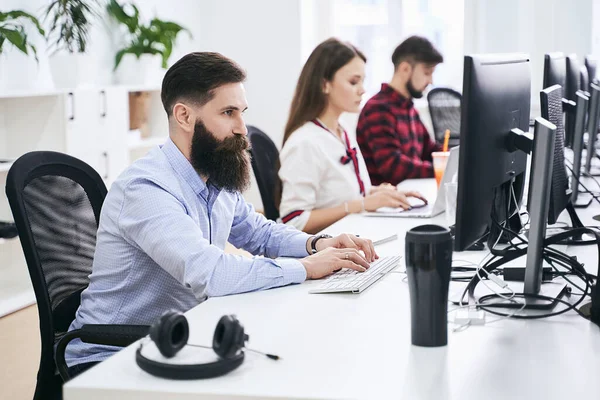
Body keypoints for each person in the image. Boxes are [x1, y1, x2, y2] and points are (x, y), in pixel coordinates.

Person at [64, 52, 377, 375]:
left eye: (241, 113)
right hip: (110, 357)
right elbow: (210, 274)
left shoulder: (213, 175)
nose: (242, 128)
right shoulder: (146, 188)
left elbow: (260, 232)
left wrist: (317, 244)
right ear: (184, 116)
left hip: (176, 340)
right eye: (228, 113)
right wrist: (305, 268)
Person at [278, 38, 425, 234]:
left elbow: (340, 194)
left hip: (353, 236)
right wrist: (360, 205)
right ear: (325, 85)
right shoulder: (304, 143)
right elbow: (293, 221)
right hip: (327, 252)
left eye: (363, 81)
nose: (362, 89)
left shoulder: (342, 131)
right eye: (353, 81)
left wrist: (382, 194)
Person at [356, 36, 444, 185]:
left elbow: (429, 150)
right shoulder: (378, 109)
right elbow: (393, 167)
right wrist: (440, 169)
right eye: (427, 73)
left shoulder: (409, 109)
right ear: (405, 69)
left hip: (409, 196)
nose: (430, 81)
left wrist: (455, 159)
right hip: (386, 203)